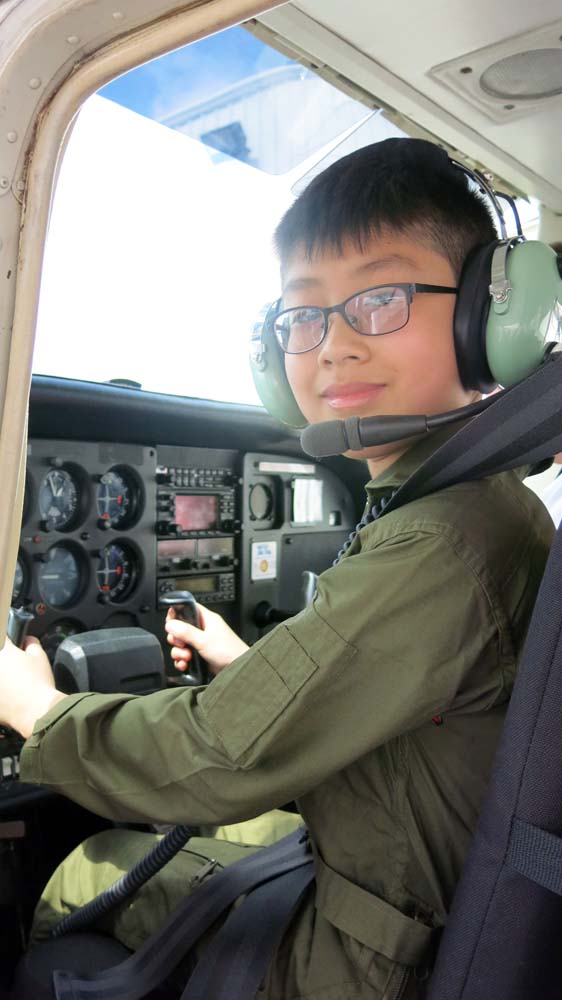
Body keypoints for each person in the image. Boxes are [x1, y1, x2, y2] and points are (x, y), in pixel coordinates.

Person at [0, 138, 554, 1000]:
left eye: (381, 297)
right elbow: (397, 705)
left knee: (87, 866)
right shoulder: (475, 502)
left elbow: (216, 757)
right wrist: (251, 666)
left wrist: (39, 713)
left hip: (375, 960)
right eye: (303, 314)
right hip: (410, 883)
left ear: (486, 315)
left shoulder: (444, 540)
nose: (333, 346)